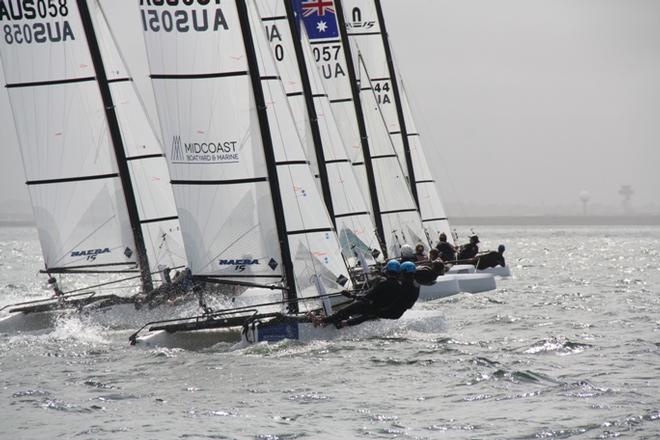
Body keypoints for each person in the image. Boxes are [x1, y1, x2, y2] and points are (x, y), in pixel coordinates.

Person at [310, 259, 404, 328]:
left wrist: (351, 295)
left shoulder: (383, 283)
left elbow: (366, 298)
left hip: (371, 309)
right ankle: (335, 322)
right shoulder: (400, 286)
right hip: (380, 312)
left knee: (350, 308)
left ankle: (321, 321)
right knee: (355, 309)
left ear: (387, 270)